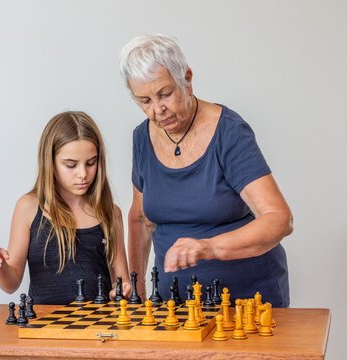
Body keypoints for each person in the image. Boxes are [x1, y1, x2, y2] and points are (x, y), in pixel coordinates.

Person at [120, 35, 293, 307]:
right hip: (173, 303)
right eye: (145, 101)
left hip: (246, 301)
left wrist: (209, 247)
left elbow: (279, 219)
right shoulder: (142, 138)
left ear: (186, 78)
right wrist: (138, 288)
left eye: (165, 93)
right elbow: (141, 219)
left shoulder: (229, 132)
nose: (157, 110)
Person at [0, 111, 131, 304]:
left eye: (91, 163)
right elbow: (11, 284)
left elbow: (122, 281)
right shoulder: (29, 208)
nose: (83, 174)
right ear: (50, 163)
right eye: (71, 165)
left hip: (97, 328)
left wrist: (122, 289)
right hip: (44, 328)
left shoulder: (110, 213)